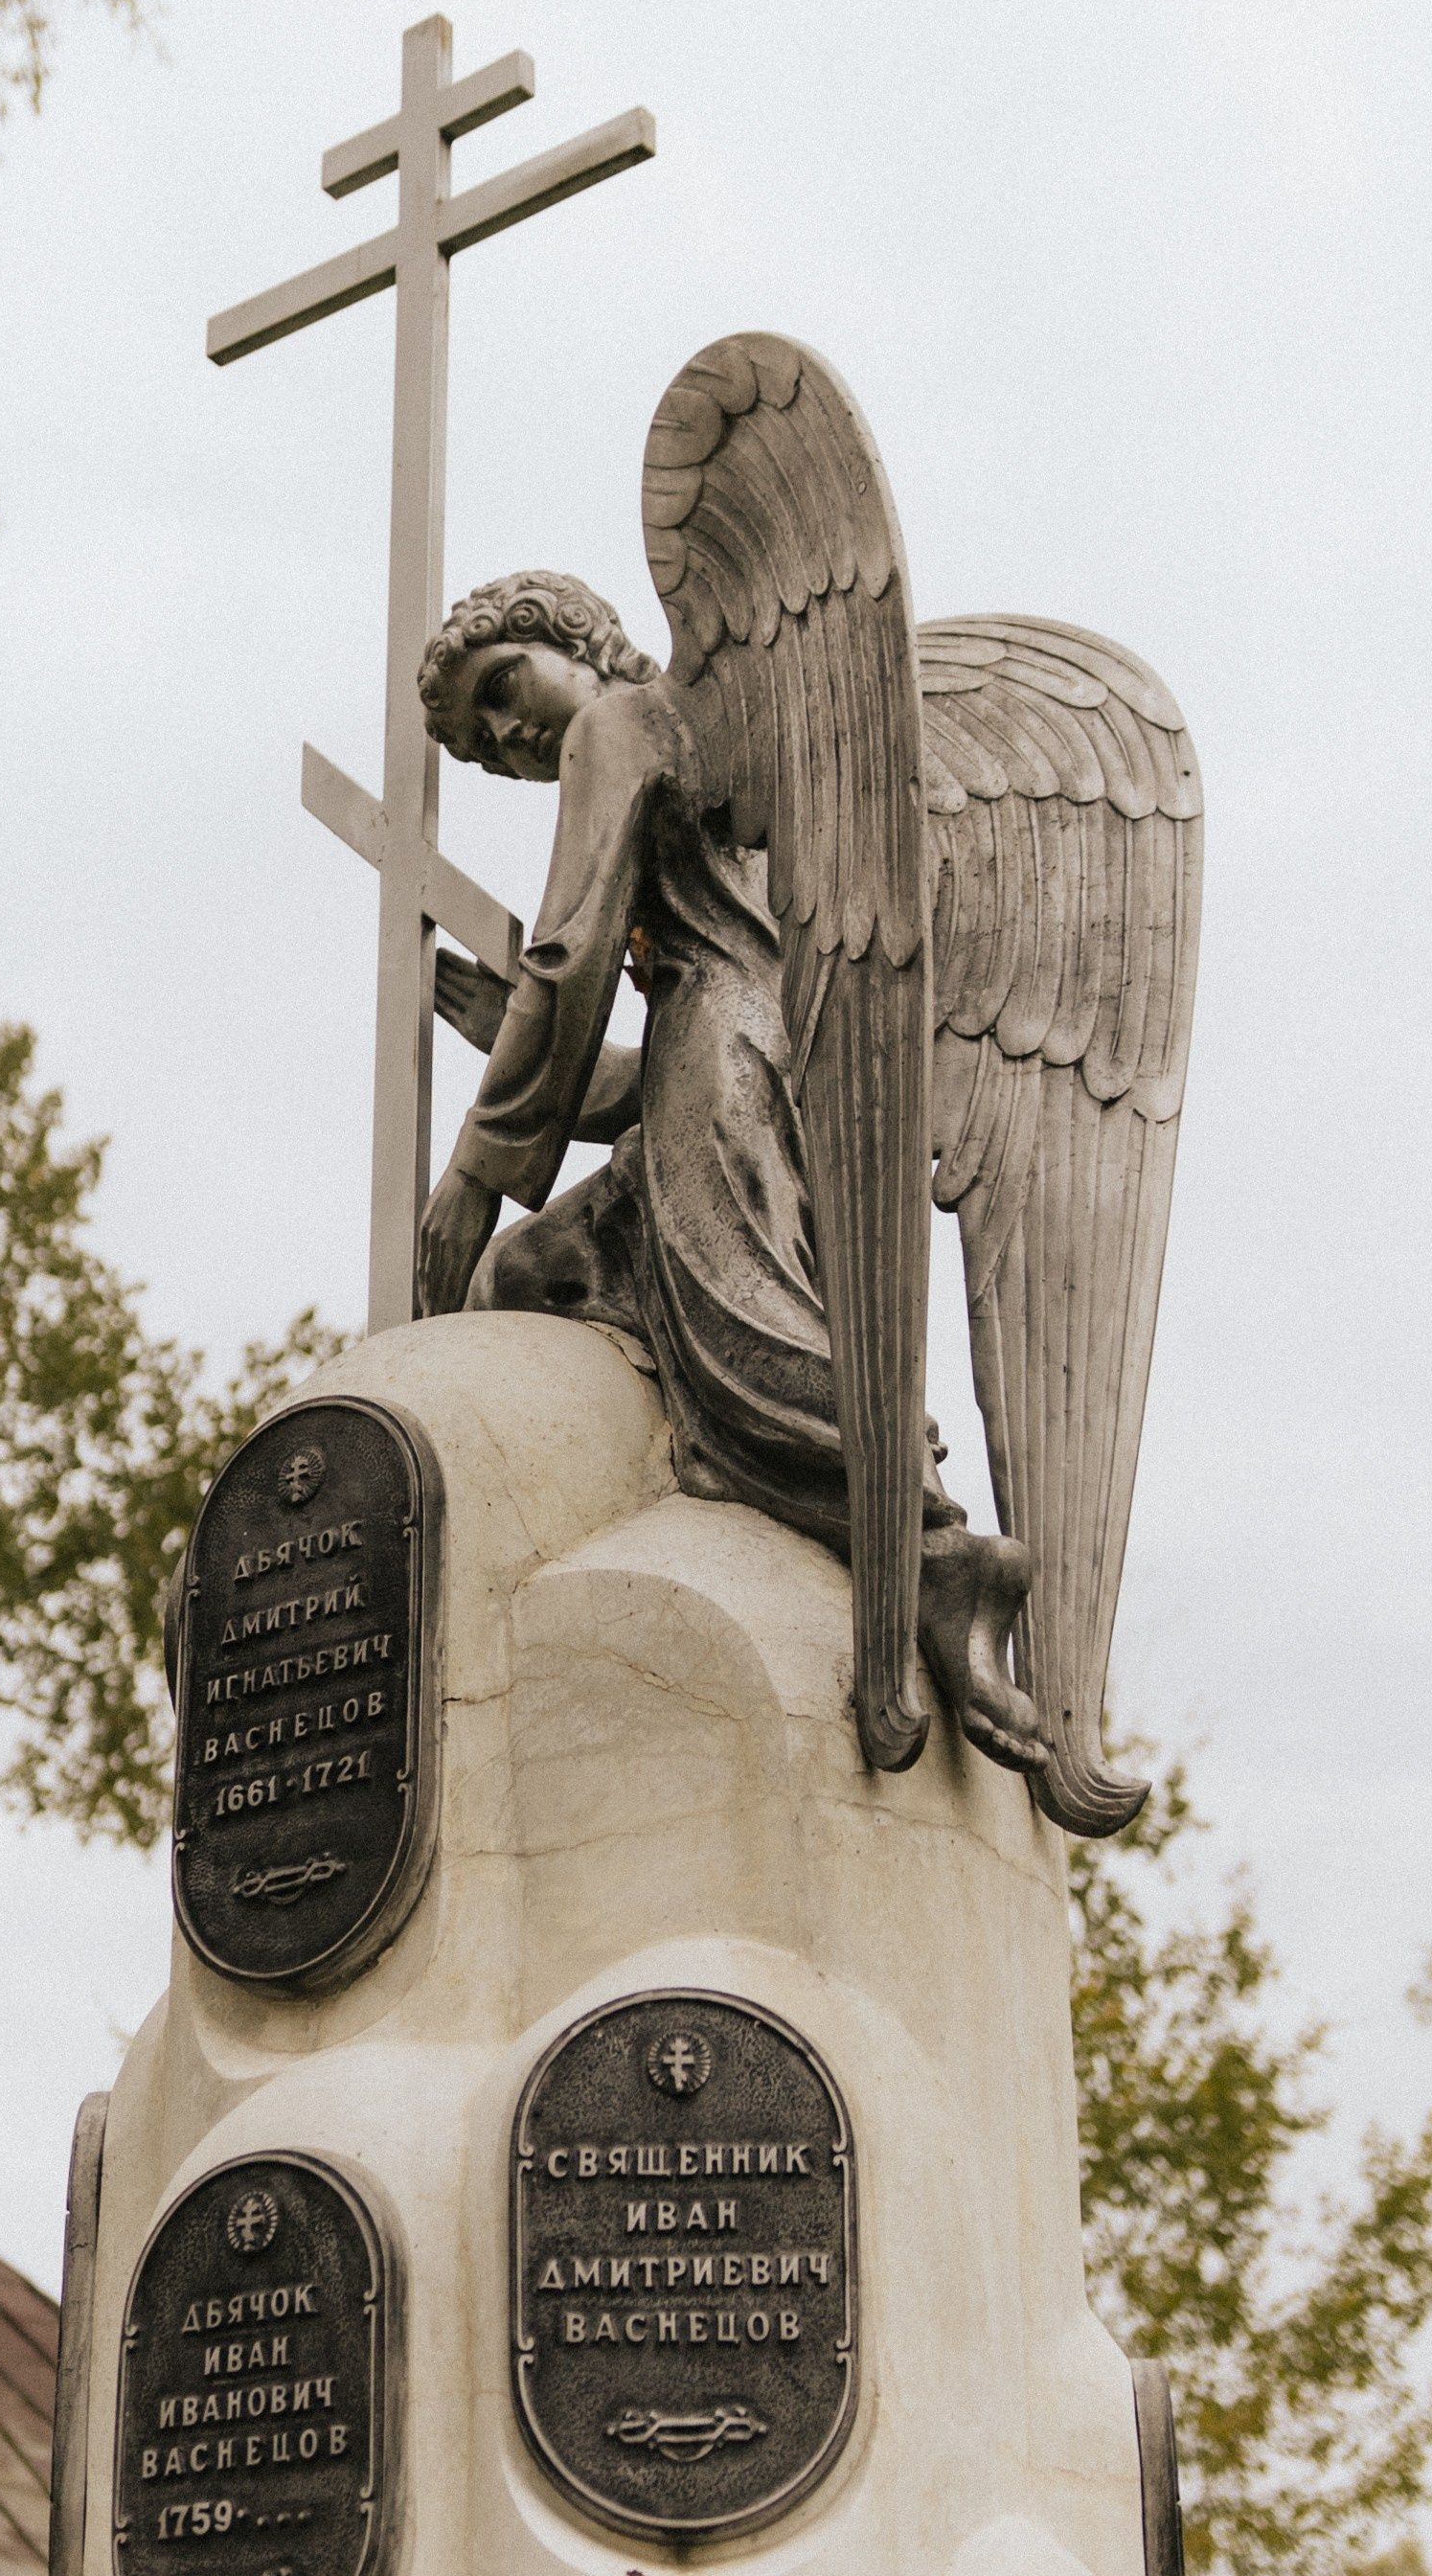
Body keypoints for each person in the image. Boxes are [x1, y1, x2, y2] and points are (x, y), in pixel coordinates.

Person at [415, 570, 1043, 1773]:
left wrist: (476, 1168)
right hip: (763, 1057)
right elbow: (649, 1044)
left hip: (736, 1046)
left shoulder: (625, 721)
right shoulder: (709, 739)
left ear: (577, 638)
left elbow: (574, 946)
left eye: (502, 687)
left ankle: (930, 1549)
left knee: (735, 1319)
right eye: (486, 751)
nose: (507, 736)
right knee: (539, 1271)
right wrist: (517, 1038)